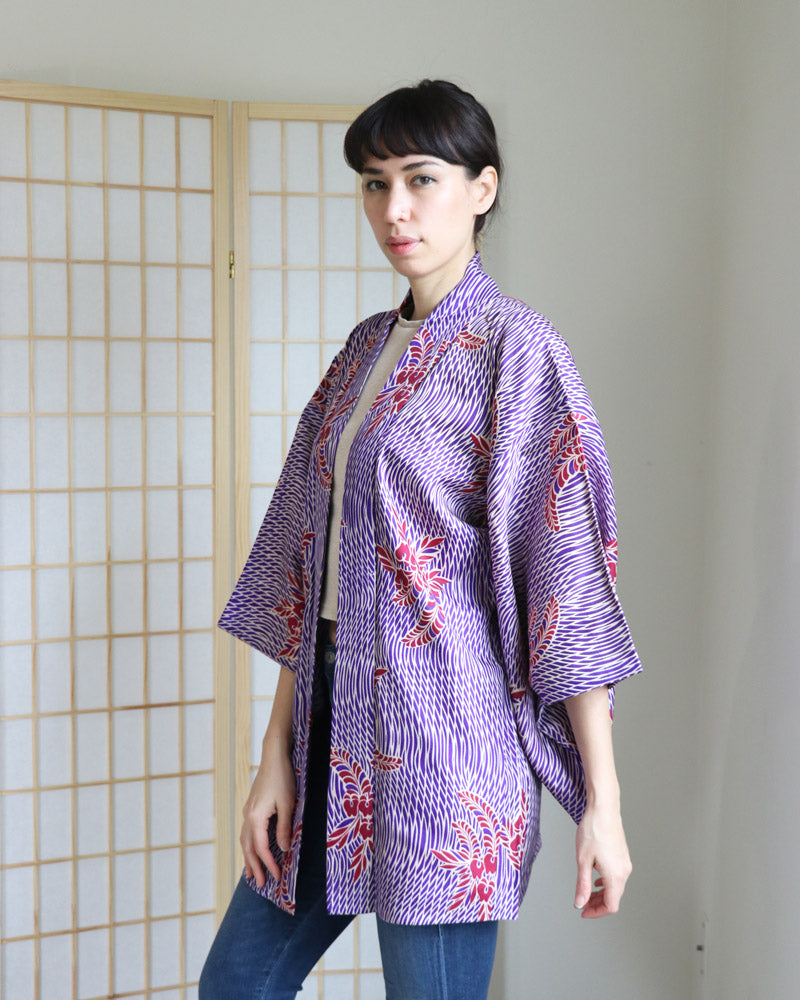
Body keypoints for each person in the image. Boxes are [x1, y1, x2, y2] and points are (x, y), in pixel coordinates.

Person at [200, 79, 642, 1000]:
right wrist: (273, 759)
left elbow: (565, 578)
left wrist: (604, 807)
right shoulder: (364, 350)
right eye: (372, 183)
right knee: (235, 985)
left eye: (420, 178)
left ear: (481, 189)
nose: (393, 209)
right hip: (330, 737)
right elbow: (309, 568)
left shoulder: (518, 351)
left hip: (448, 754)